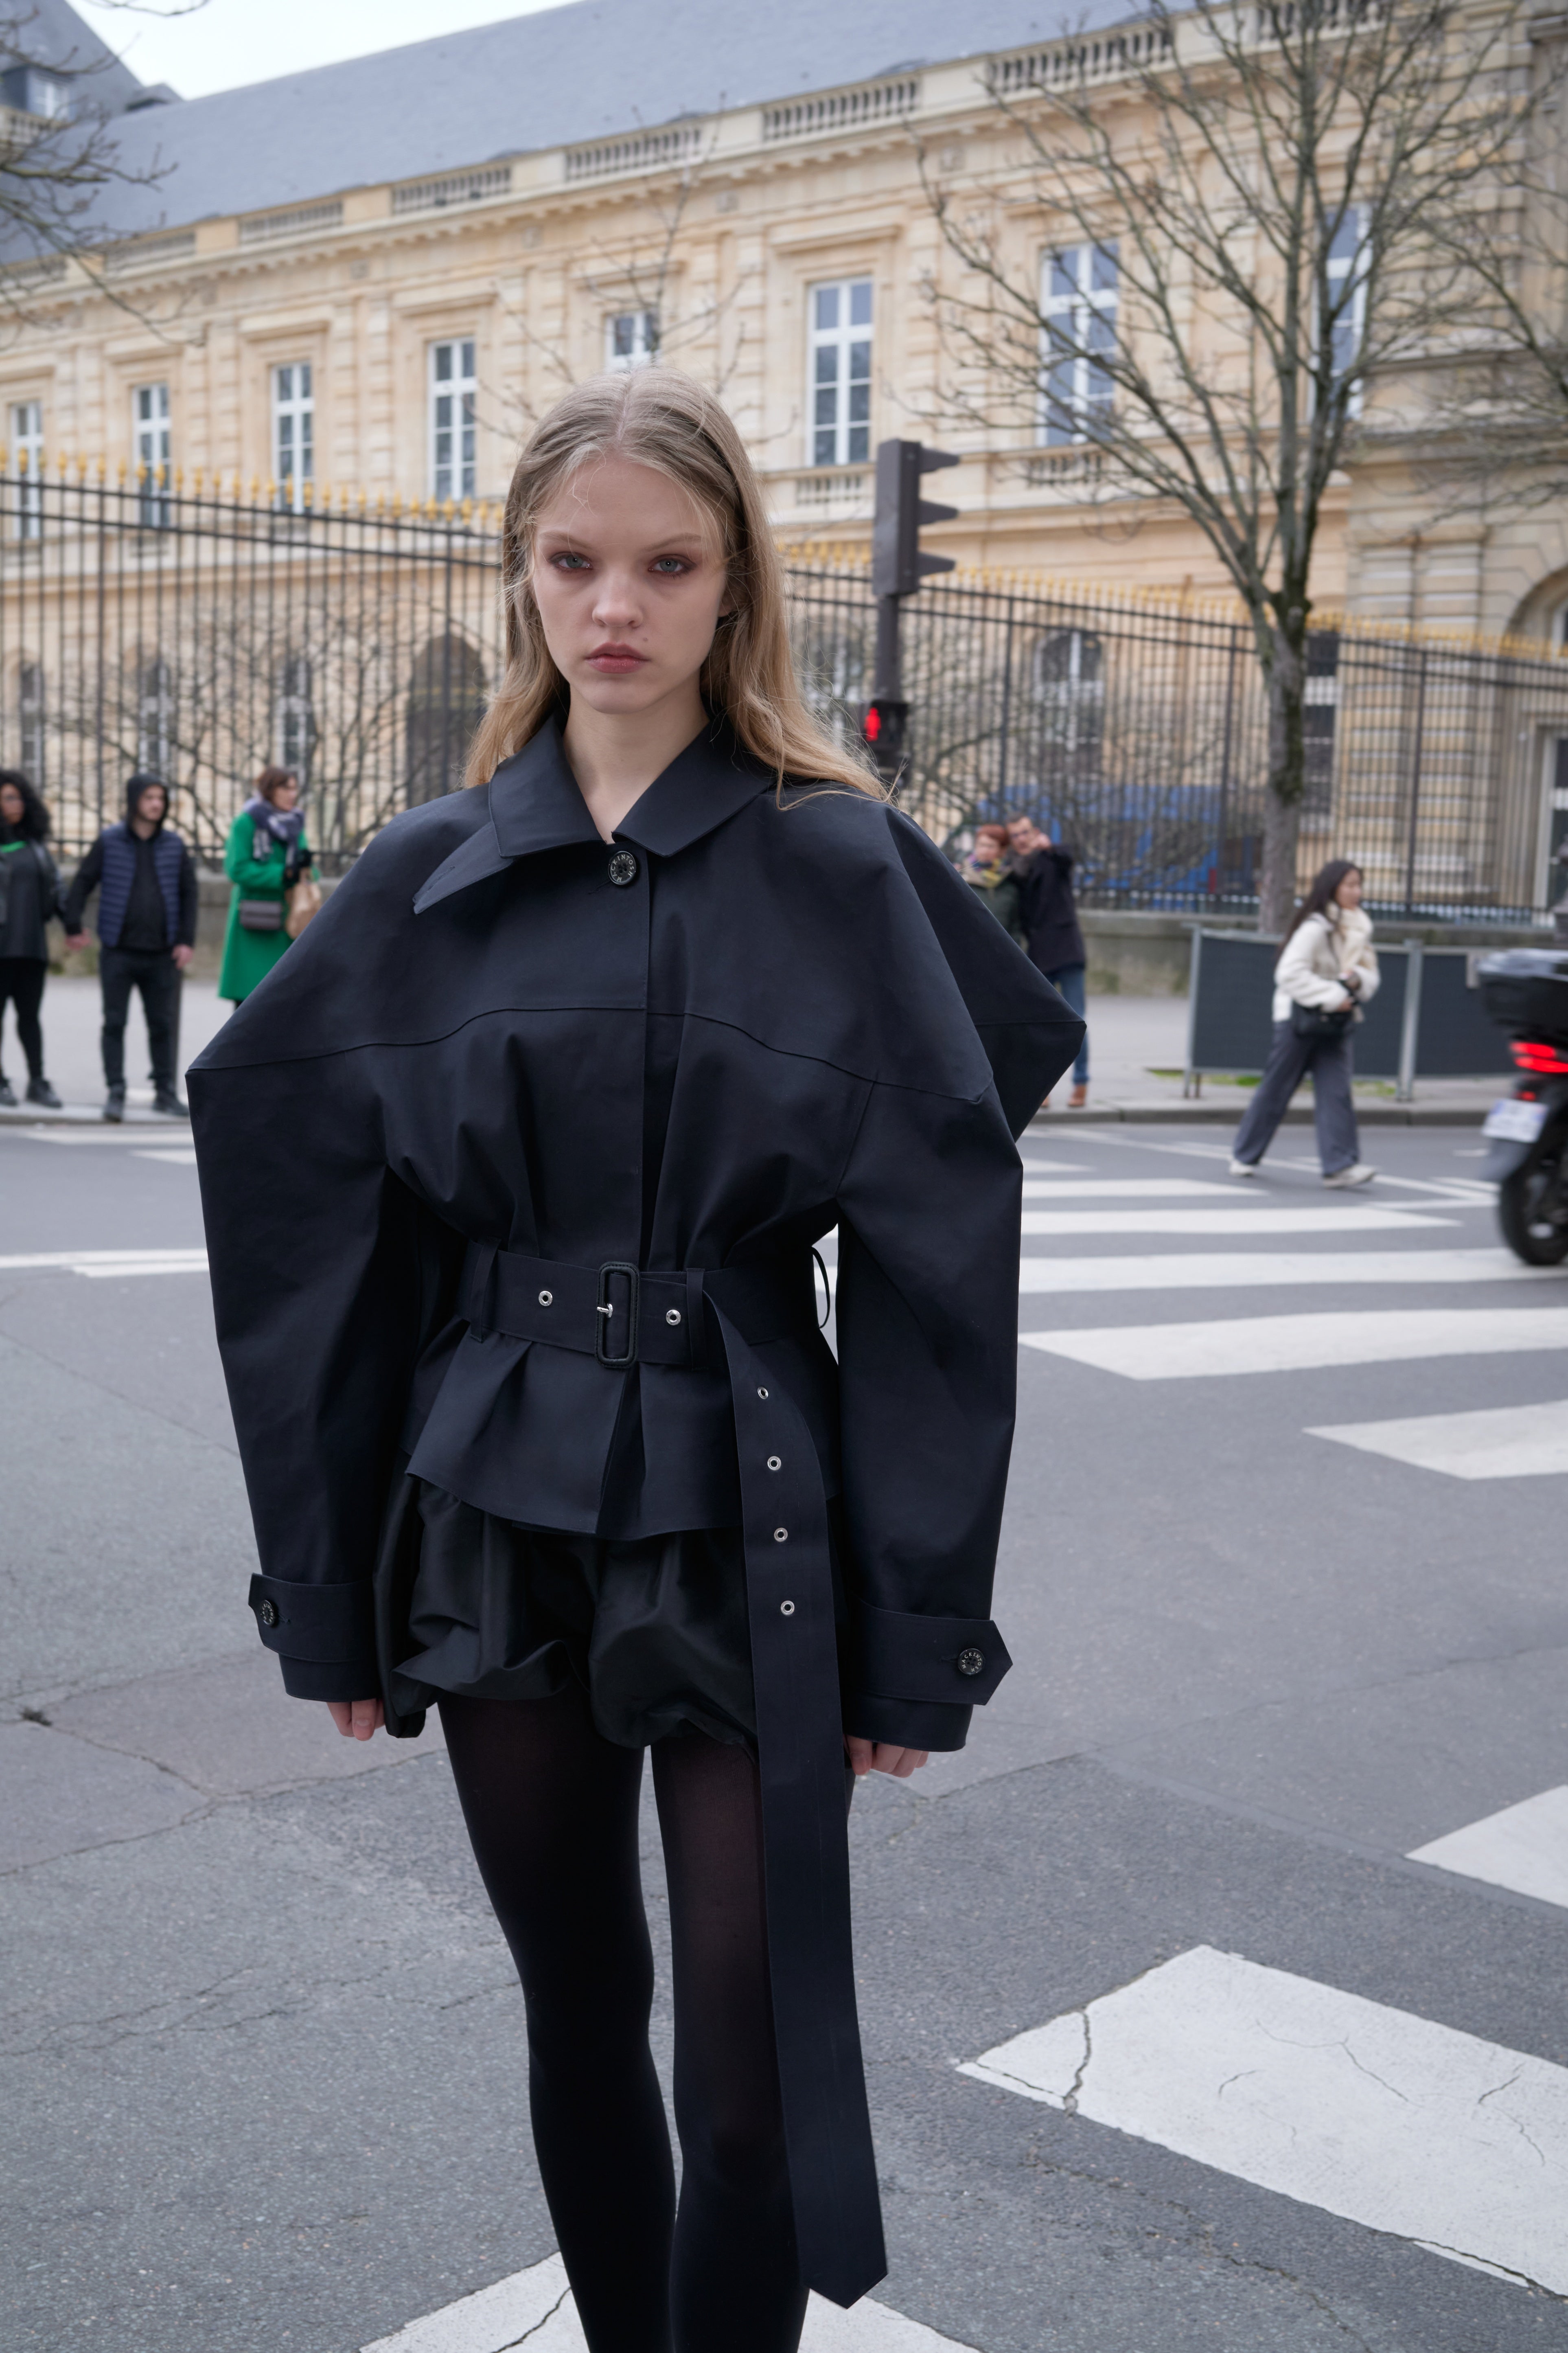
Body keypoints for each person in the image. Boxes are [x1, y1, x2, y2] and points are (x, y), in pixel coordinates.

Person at [189, 368, 1083, 2352]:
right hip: (488, 1502)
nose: (617, 604)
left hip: (750, 1495)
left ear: (731, 584)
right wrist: (328, 1596)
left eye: (666, 563)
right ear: (521, 573)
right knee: (578, 2009)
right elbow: (299, 1215)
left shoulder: (838, 866)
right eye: (576, 560)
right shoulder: (426, 874)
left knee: (750, 2074)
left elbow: (945, 1241)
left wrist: (914, 1620)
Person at [1229, 857, 1379, 1186]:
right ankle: (1244, 1153)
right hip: (1300, 1020)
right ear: (1332, 888)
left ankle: (1340, 1166)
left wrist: (1356, 982)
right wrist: (1332, 994)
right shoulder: (1316, 927)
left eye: (1359, 885)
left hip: (1335, 1022)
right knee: (1276, 1090)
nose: (1357, 892)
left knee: (1337, 1093)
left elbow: (1371, 975)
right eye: (1350, 885)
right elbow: (1288, 973)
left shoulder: (1359, 929)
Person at [63, 774, 197, 1122]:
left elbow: (189, 894)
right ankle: (116, 1091)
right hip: (118, 951)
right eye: (150, 797)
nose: (157, 804)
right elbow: (82, 882)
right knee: (114, 1022)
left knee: (162, 1025)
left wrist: (186, 940)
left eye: (161, 798)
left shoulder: (173, 845)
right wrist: (73, 926)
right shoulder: (110, 841)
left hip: (162, 953)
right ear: (135, 800)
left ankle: (165, 1091)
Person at [1009, 813, 1089, 1107]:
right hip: (1040, 955)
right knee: (1040, 1023)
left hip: (1067, 951)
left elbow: (1069, 857)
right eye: (1015, 835)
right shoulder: (1016, 871)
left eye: (1025, 832)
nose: (1022, 838)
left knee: (1077, 1019)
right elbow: (982, 868)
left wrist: (1050, 848)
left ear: (1036, 832)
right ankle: (1042, 1088)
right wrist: (968, 865)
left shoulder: (1054, 856)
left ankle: (1081, 1083)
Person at [217, 765, 313, 1004]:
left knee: (283, 1004)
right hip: (255, 921)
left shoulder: (295, 823)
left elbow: (309, 871)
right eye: (286, 788)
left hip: (289, 922)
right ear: (270, 790)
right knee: (249, 1004)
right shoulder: (246, 823)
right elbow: (237, 869)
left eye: (295, 788)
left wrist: (306, 869)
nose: (293, 794)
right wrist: (283, 873)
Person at [0, 770, 64, 1107]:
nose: (17, 804)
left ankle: (37, 1081)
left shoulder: (36, 847)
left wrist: (72, 923)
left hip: (31, 947)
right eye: (9, 797)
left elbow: (57, 888)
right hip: (2, 947)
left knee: (30, 1018)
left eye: (20, 797)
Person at [963, 820, 1028, 946]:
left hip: (1001, 951)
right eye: (981, 845)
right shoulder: (962, 879)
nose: (985, 851)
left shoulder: (1009, 885)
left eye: (991, 846)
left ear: (1002, 850)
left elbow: (1015, 928)